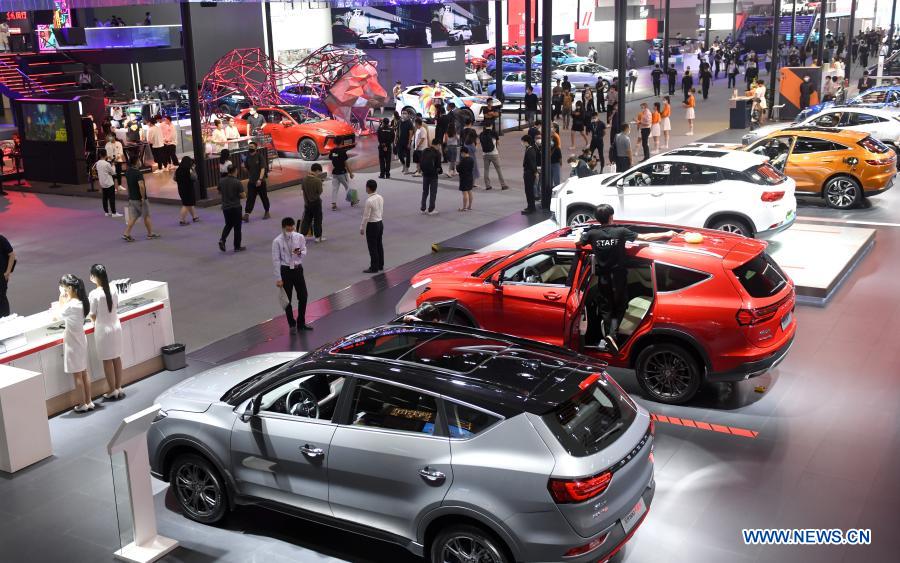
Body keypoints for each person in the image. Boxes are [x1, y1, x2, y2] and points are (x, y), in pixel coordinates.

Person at [576, 204, 675, 350]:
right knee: (621, 305)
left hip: (603, 278)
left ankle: (608, 337)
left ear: (597, 219)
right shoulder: (620, 232)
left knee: (606, 308)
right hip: (618, 277)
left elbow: (577, 243)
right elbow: (645, 237)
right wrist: (667, 234)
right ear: (611, 217)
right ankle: (612, 335)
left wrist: (579, 233)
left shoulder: (592, 234)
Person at [56, 275, 93, 412]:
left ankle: (82, 404)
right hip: (81, 339)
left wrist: (61, 297)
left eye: (64, 288)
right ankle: (89, 401)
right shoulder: (82, 302)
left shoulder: (71, 305)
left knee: (77, 375)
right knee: (84, 371)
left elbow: (58, 314)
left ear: (70, 288)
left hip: (73, 342)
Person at [88, 264, 125, 400]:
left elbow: (92, 314)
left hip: (103, 330)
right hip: (116, 326)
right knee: (117, 357)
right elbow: (116, 306)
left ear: (94, 277)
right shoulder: (113, 289)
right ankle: (119, 387)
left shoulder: (94, 294)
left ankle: (111, 389)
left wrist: (93, 320)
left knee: (107, 360)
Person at [272, 217, 311, 334]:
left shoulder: (299, 237)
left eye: (292, 228)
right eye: (288, 229)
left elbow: (304, 250)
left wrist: (300, 253)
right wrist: (278, 278)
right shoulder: (277, 241)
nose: (290, 230)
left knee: (303, 296)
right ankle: (291, 323)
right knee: (287, 299)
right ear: (283, 228)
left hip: (298, 269)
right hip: (285, 271)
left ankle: (301, 322)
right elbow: (275, 260)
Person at [122, 158, 160, 242]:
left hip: (132, 198)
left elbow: (128, 185)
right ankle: (150, 234)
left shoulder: (127, 172)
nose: (140, 162)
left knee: (133, 217)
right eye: (138, 160)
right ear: (136, 162)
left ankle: (126, 233)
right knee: (146, 216)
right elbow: (141, 186)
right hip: (139, 199)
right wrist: (143, 198)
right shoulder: (138, 173)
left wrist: (130, 196)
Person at [218, 164, 245, 252]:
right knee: (237, 227)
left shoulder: (221, 181)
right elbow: (243, 195)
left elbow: (219, 192)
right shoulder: (237, 182)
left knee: (228, 224)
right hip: (235, 207)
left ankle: (222, 239)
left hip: (226, 207)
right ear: (235, 171)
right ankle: (237, 246)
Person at [360, 179, 385, 273]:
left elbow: (366, 216)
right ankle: (380, 265)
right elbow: (381, 211)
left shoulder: (369, 201)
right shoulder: (380, 197)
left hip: (372, 225)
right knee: (379, 244)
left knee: (372, 247)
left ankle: (374, 267)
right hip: (380, 223)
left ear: (368, 188)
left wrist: (362, 227)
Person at [243, 141, 270, 221]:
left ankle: (267, 212)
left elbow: (263, 169)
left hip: (260, 182)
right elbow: (247, 170)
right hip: (251, 182)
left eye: (252, 146)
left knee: (264, 197)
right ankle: (247, 214)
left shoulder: (259, 156)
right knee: (250, 198)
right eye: (249, 146)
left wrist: (260, 179)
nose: (250, 148)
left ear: (256, 148)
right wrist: (243, 167)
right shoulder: (247, 157)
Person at [300, 163, 325, 242]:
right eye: (319, 172)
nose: (319, 174)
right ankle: (318, 237)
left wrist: (306, 201)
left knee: (306, 219)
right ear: (317, 170)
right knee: (317, 219)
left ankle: (302, 236)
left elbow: (303, 191)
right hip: (316, 203)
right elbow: (320, 192)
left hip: (307, 202)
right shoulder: (317, 181)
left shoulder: (304, 179)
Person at [174, 156, 200, 225]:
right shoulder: (189, 169)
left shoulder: (178, 169)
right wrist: (194, 169)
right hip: (188, 189)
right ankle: (182, 220)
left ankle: (195, 217)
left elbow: (174, 178)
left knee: (189, 203)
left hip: (181, 189)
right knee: (186, 204)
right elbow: (195, 177)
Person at [420, 139, 442, 214]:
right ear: (437, 145)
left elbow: (421, 162)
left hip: (425, 174)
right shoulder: (437, 153)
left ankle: (423, 208)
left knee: (425, 191)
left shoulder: (424, 151)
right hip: (433, 175)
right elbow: (438, 166)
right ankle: (431, 209)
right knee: (433, 192)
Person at [521, 135, 538, 214]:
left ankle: (531, 207)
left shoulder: (530, 150)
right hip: (529, 173)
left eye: (522, 141)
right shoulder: (529, 149)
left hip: (529, 173)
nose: (522, 143)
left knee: (529, 191)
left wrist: (535, 172)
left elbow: (532, 163)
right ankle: (530, 206)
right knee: (528, 190)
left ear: (525, 141)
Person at [457, 146, 475, 211]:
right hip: (470, 177)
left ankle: (464, 207)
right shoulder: (471, 159)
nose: (461, 155)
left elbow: (458, 169)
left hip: (464, 178)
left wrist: (457, 165)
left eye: (461, 153)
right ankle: (469, 206)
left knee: (464, 193)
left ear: (463, 153)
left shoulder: (463, 161)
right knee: (470, 191)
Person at [0, 234, 14, 318]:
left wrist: (8, 272)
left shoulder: (1, 239)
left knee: (1, 298)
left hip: (1, 276)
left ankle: (5, 319)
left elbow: (12, 255)